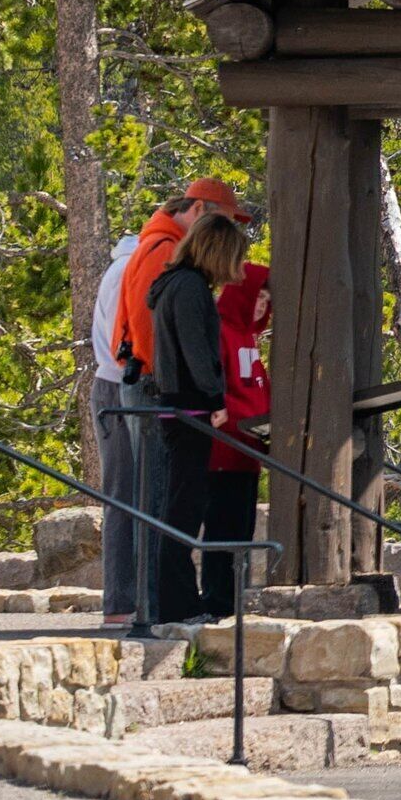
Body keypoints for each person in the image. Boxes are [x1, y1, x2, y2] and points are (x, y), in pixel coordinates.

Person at [94, 176, 244, 628]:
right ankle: (156, 606)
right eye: (225, 225)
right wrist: (199, 393)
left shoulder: (157, 255)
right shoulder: (163, 256)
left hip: (150, 388)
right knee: (161, 503)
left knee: (151, 501)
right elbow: (151, 336)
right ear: (199, 214)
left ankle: (146, 604)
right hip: (160, 392)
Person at [143, 208, 250, 628]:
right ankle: (178, 605)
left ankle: (178, 601)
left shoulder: (174, 284)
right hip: (190, 407)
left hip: (179, 405)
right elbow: (196, 351)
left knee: (182, 506)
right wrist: (215, 397)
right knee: (183, 510)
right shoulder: (190, 288)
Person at [202, 261, 274, 619]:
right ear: (241, 294)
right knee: (223, 530)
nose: (261, 306)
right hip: (225, 452)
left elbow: (259, 391)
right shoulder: (221, 332)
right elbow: (218, 392)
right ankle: (217, 601)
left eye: (267, 300)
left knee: (242, 532)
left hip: (249, 451)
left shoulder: (249, 337)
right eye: (257, 297)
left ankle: (232, 601)